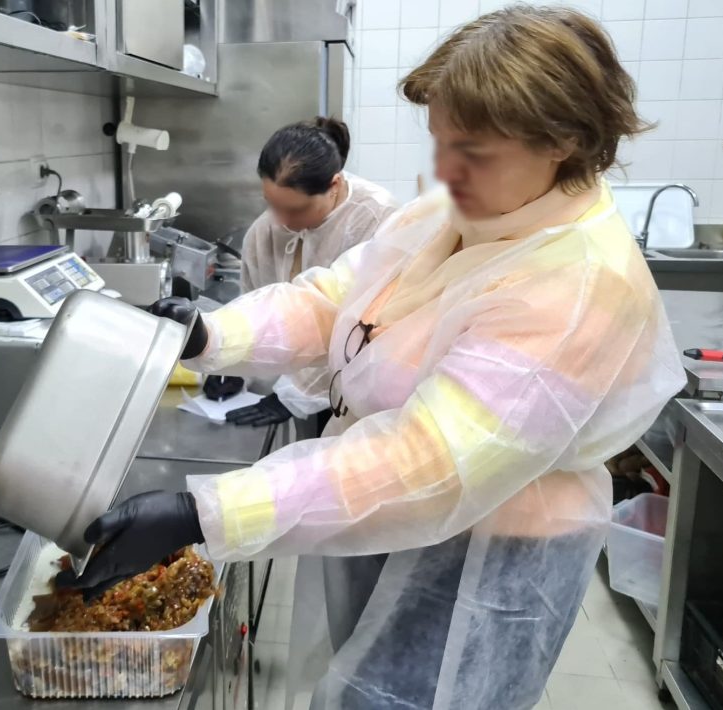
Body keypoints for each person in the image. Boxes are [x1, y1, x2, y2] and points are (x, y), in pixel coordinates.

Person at [61, 6, 686, 709]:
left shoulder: (577, 285)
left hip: (481, 551)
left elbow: (431, 462)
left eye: (473, 150)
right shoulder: (462, 210)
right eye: (439, 141)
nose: (444, 171)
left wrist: (204, 513)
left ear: (564, 142)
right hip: (385, 511)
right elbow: (340, 297)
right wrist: (212, 335)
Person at [219, 117, 398, 427]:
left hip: (356, 396)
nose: (281, 221)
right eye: (272, 204)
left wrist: (296, 395)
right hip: (285, 386)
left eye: (296, 210)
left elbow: (362, 332)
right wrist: (232, 362)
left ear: (334, 185)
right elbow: (254, 309)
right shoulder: (266, 230)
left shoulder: (379, 220)